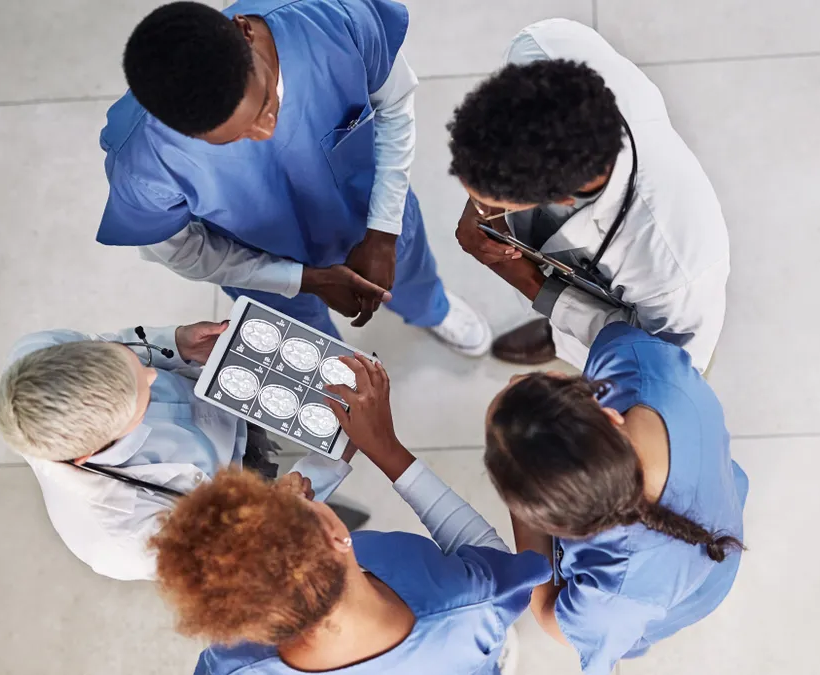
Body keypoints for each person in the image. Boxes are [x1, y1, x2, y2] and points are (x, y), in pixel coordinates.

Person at [97, 0, 491, 357]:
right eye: (236, 137)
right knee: (305, 339)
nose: (267, 130)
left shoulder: (333, 18)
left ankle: (431, 309)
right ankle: (335, 364)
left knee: (409, 271)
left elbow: (394, 103)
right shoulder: (142, 163)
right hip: (261, 262)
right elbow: (183, 250)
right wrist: (302, 279)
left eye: (267, 102)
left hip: (371, 211)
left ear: (244, 30)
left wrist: (384, 230)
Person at [151, 355, 550, 675]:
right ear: (333, 532)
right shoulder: (471, 607)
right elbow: (493, 556)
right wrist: (388, 451)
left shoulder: (231, 666)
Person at [448, 19, 728, 370]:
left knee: (608, 375)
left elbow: (661, 362)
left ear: (562, 198)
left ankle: (565, 343)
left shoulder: (675, 267)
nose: (482, 208)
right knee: (558, 320)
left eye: (494, 201)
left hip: (633, 349)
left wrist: (525, 278)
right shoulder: (543, 48)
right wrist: (481, 206)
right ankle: (553, 334)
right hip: (562, 272)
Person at [0, 321, 356, 580]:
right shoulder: (126, 539)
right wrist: (325, 469)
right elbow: (240, 549)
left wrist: (177, 343)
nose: (154, 376)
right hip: (231, 495)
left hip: (223, 420)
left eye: (134, 363)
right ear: (87, 455)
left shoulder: (37, 355)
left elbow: (113, 345)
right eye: (144, 395)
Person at [482, 322, 748, 674]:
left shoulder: (610, 600)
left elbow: (552, 618)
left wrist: (527, 516)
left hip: (679, 599)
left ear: (551, 516)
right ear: (606, 412)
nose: (517, 380)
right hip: (721, 517)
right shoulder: (634, 360)